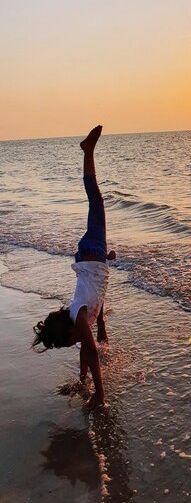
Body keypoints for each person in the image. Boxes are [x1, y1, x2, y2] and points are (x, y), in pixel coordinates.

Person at [32, 125, 115, 409]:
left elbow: (91, 353)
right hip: (92, 257)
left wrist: (101, 395)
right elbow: (97, 296)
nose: (77, 342)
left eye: (71, 342)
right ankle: (88, 151)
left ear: (70, 331)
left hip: (92, 251)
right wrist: (82, 380)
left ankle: (87, 151)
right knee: (96, 203)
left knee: (96, 199)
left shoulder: (79, 320)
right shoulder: (80, 320)